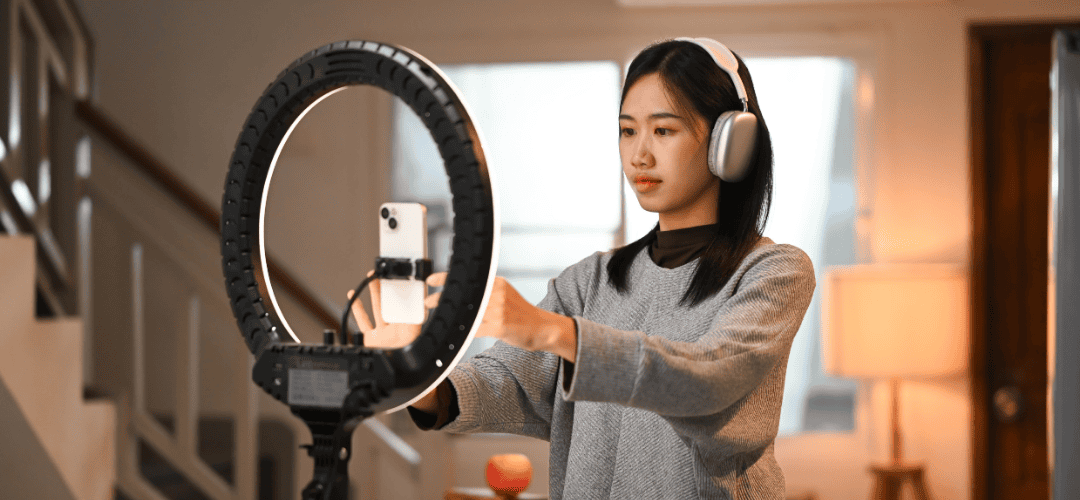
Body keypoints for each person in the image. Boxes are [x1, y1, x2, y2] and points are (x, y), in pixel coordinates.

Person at [349, 37, 816, 499]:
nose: (640, 156)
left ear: (728, 143)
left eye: (664, 130)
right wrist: (419, 378)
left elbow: (707, 382)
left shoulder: (774, 273)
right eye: (628, 130)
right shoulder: (591, 280)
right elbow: (509, 381)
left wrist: (555, 332)